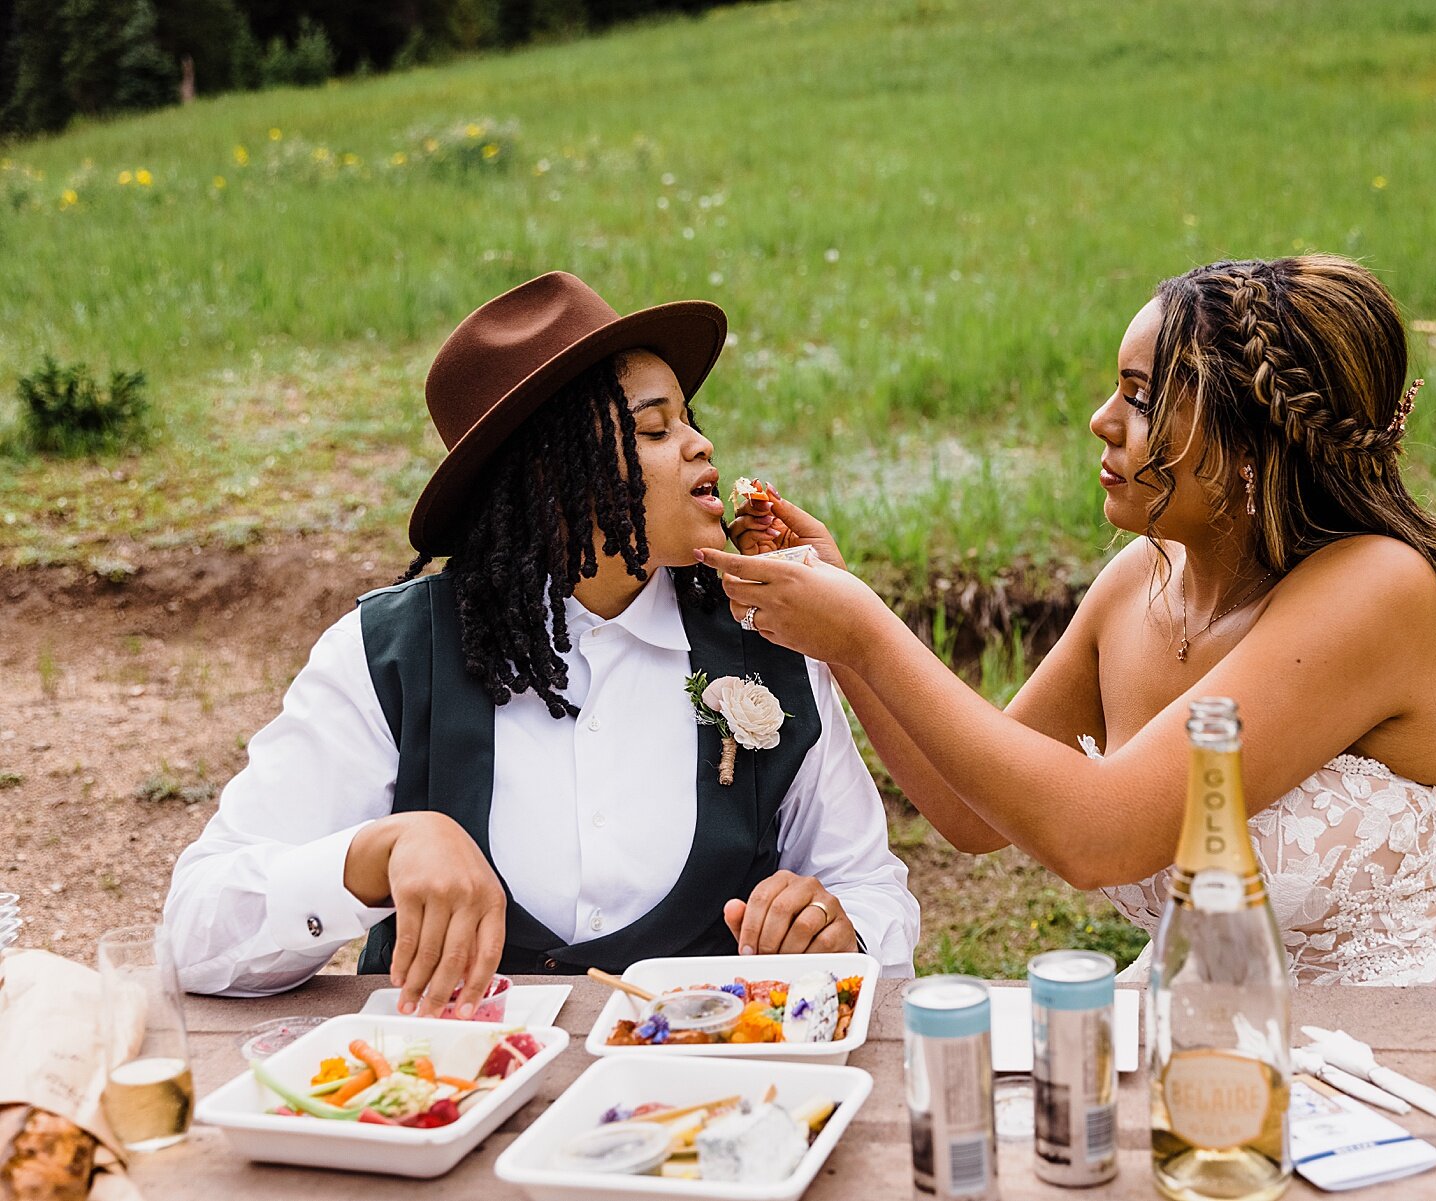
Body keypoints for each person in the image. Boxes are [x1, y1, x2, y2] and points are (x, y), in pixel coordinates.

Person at [709, 255, 1436, 985]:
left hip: (1404, 1038)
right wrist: (841, 622)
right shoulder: (1139, 582)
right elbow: (970, 812)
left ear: (1250, 445)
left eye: (1141, 397)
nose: (1102, 419)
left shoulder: (1375, 590)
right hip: (1209, 1032)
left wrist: (864, 628)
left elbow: (1100, 836)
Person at [165, 271, 918, 1011]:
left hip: (707, 1099)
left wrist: (839, 930)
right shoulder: (388, 654)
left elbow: (872, 890)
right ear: (551, 475)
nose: (700, 443)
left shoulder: (771, 633)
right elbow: (195, 933)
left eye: (689, 419)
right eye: (655, 428)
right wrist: (372, 857)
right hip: (448, 1100)